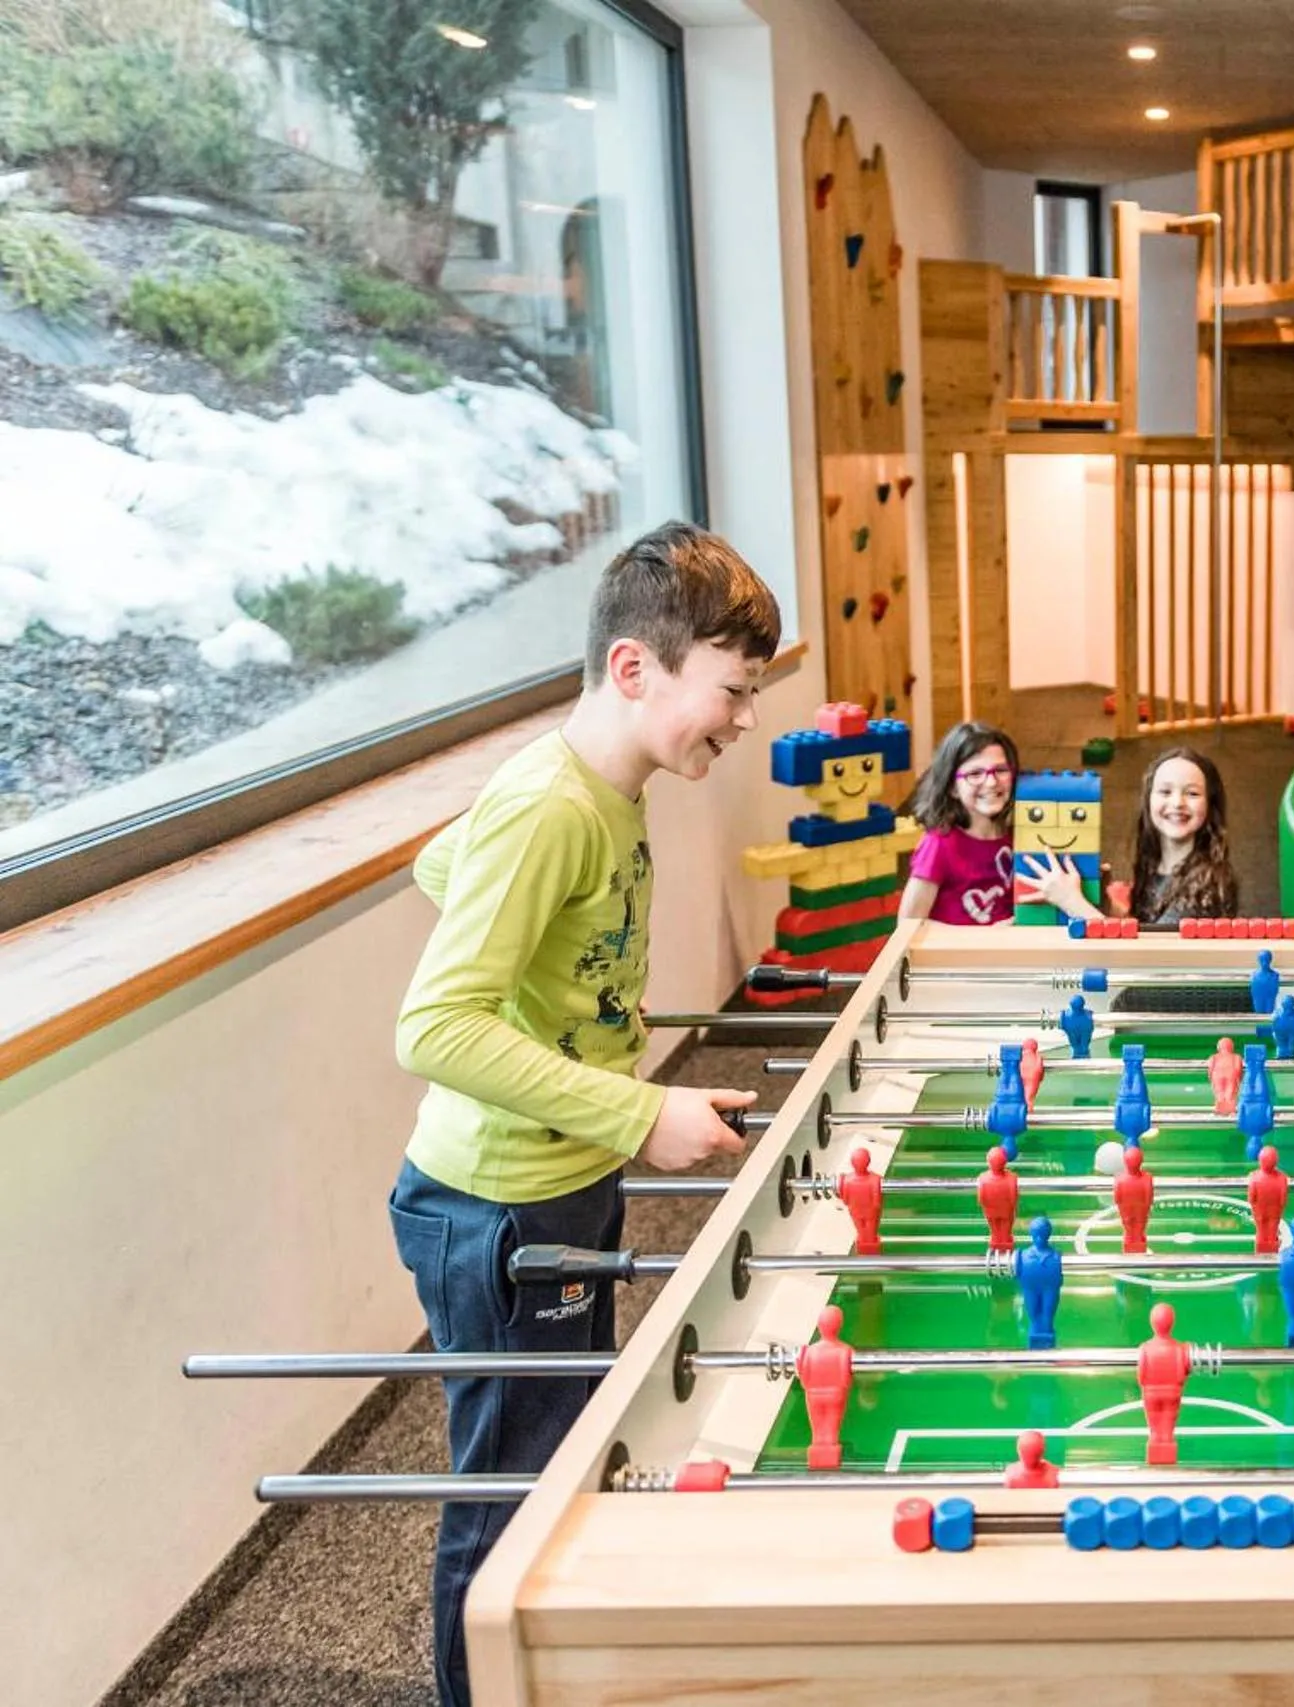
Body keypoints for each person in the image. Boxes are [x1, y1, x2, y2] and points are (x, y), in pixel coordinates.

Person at [387, 520, 781, 1706]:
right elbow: (432, 1030)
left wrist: (563, 985)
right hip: (493, 1205)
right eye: (731, 691)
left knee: (560, 1460)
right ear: (634, 668)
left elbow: (436, 867)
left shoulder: (606, 788)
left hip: (559, 1179)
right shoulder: (554, 806)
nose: (745, 718)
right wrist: (632, 1111)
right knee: (512, 1499)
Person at [898, 721, 1093, 924]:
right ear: (952, 788)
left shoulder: (1019, 834)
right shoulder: (939, 844)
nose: (991, 782)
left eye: (1000, 770)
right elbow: (908, 925)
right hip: (963, 954)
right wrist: (988, 937)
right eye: (975, 774)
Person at [1127, 746, 1239, 923]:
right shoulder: (1154, 865)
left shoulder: (1206, 884)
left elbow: (1155, 949)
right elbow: (1146, 928)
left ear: (1210, 805)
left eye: (1192, 793)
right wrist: (1109, 907)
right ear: (1148, 800)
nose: (1178, 802)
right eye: (1165, 792)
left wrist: (1076, 904)